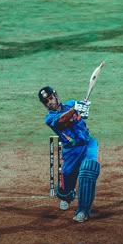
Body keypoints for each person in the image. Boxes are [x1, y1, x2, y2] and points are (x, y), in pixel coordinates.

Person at [38, 86, 100, 223]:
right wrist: (75, 109)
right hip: (71, 151)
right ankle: (66, 196)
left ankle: (83, 210)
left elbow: (83, 115)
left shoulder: (72, 103)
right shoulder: (49, 118)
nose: (49, 102)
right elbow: (61, 122)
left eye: (50, 98)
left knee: (89, 170)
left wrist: (83, 106)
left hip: (88, 143)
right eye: (46, 102)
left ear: (56, 95)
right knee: (67, 176)